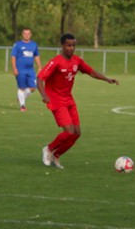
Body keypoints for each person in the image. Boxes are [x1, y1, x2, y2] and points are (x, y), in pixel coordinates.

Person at [38, 33, 119, 169]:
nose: (71, 48)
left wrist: (107, 79)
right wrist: (44, 95)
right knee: (69, 131)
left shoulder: (77, 61)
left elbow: (91, 71)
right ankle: (48, 149)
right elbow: (40, 78)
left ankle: (56, 155)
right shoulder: (56, 61)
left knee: (76, 133)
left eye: (74, 45)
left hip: (69, 99)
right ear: (62, 45)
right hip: (56, 100)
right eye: (69, 45)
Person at [11, 28, 42, 111]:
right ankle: (22, 106)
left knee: (33, 87)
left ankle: (21, 97)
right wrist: (14, 68)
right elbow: (13, 56)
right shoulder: (17, 45)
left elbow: (36, 56)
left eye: (28, 34)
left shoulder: (34, 44)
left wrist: (39, 66)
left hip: (30, 70)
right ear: (22, 34)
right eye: (25, 33)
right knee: (22, 88)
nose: (26, 35)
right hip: (20, 70)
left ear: (30, 35)